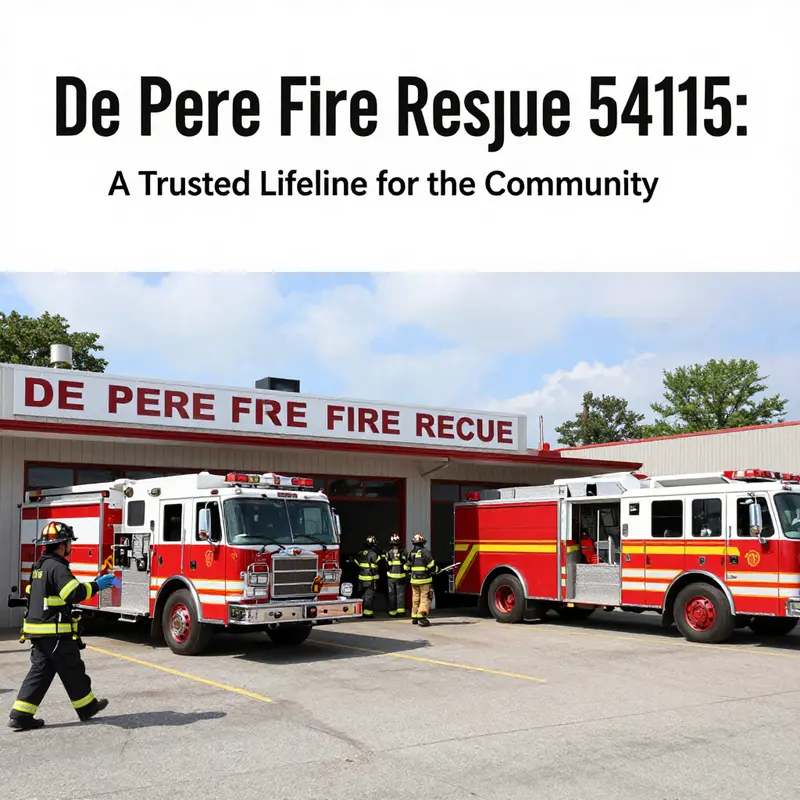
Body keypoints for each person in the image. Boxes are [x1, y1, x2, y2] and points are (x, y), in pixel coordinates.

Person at [8, 521, 118, 731]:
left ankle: (21, 714)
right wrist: (97, 585)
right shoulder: (57, 567)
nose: (70, 546)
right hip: (54, 632)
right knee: (72, 667)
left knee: (41, 671)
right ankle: (86, 707)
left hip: (39, 630)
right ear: (61, 544)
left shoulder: (40, 566)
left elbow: (32, 594)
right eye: (68, 542)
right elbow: (73, 593)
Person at [406, 533, 438, 627]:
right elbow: (431, 565)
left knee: (415, 598)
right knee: (426, 598)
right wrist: (437, 570)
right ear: (423, 542)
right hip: (425, 580)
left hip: (414, 580)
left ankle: (414, 616)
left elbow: (406, 566)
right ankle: (421, 615)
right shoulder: (425, 552)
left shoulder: (411, 553)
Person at [353, 535, 383, 618]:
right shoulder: (373, 554)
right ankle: (368, 613)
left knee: (362, 595)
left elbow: (356, 562)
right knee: (369, 596)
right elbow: (376, 564)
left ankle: (361, 611)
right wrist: (381, 556)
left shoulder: (360, 553)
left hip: (361, 578)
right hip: (370, 579)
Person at [384, 534, 408, 617]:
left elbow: (386, 565)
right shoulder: (404, 552)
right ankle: (401, 611)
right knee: (400, 594)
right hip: (401, 577)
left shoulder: (388, 552)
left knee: (391, 594)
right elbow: (406, 563)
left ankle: (392, 612)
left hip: (391, 577)